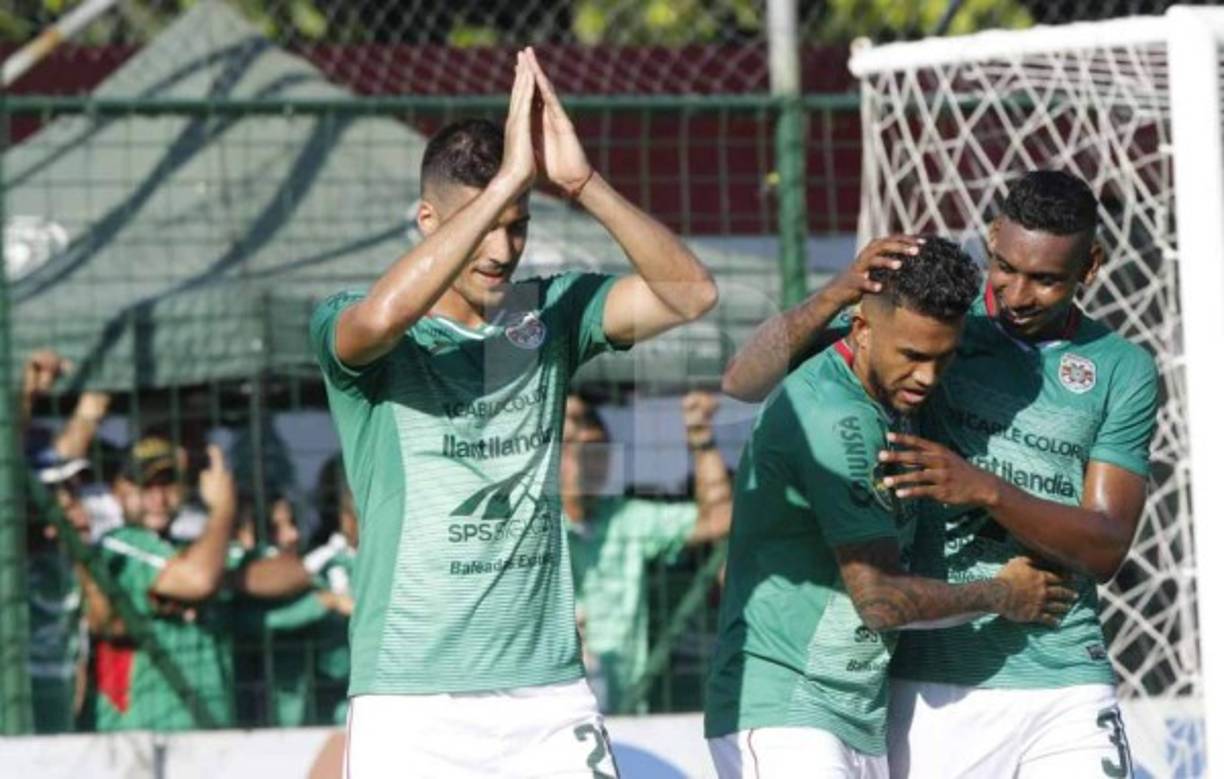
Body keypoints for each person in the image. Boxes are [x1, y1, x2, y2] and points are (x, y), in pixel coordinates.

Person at [310, 48, 716, 776]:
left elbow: (692, 295)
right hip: (411, 697)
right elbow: (378, 319)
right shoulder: (355, 324)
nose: (502, 249)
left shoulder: (548, 314)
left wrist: (583, 183)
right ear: (428, 219)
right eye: (484, 223)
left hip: (546, 692)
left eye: (518, 224)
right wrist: (503, 186)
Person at [721, 172, 1157, 778]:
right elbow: (744, 381)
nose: (1016, 293)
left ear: (1090, 268)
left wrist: (985, 489)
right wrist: (839, 292)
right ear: (989, 238)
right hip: (928, 679)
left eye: (1045, 279)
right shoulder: (933, 325)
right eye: (1003, 266)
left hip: (1061, 668)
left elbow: (1106, 545)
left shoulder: (1121, 368)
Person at [704, 237, 1073, 778]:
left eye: (942, 358)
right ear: (862, 329)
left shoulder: (874, 370)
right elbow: (878, 601)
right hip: (783, 712)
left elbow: (743, 378)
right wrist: (1005, 594)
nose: (927, 377)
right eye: (913, 357)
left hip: (855, 716)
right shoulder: (837, 419)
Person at [85, 439, 312, 731]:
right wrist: (223, 510)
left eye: (168, 485)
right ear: (120, 491)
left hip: (212, 734)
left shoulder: (201, 551)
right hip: (141, 738)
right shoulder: (117, 546)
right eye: (146, 486)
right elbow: (199, 581)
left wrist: (219, 578)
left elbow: (296, 572)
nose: (158, 498)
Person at [562, 391, 732, 714]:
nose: (585, 459)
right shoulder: (529, 524)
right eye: (571, 447)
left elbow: (718, 518)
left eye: (596, 450)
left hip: (625, 714)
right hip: (550, 712)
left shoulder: (628, 518)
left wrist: (701, 437)